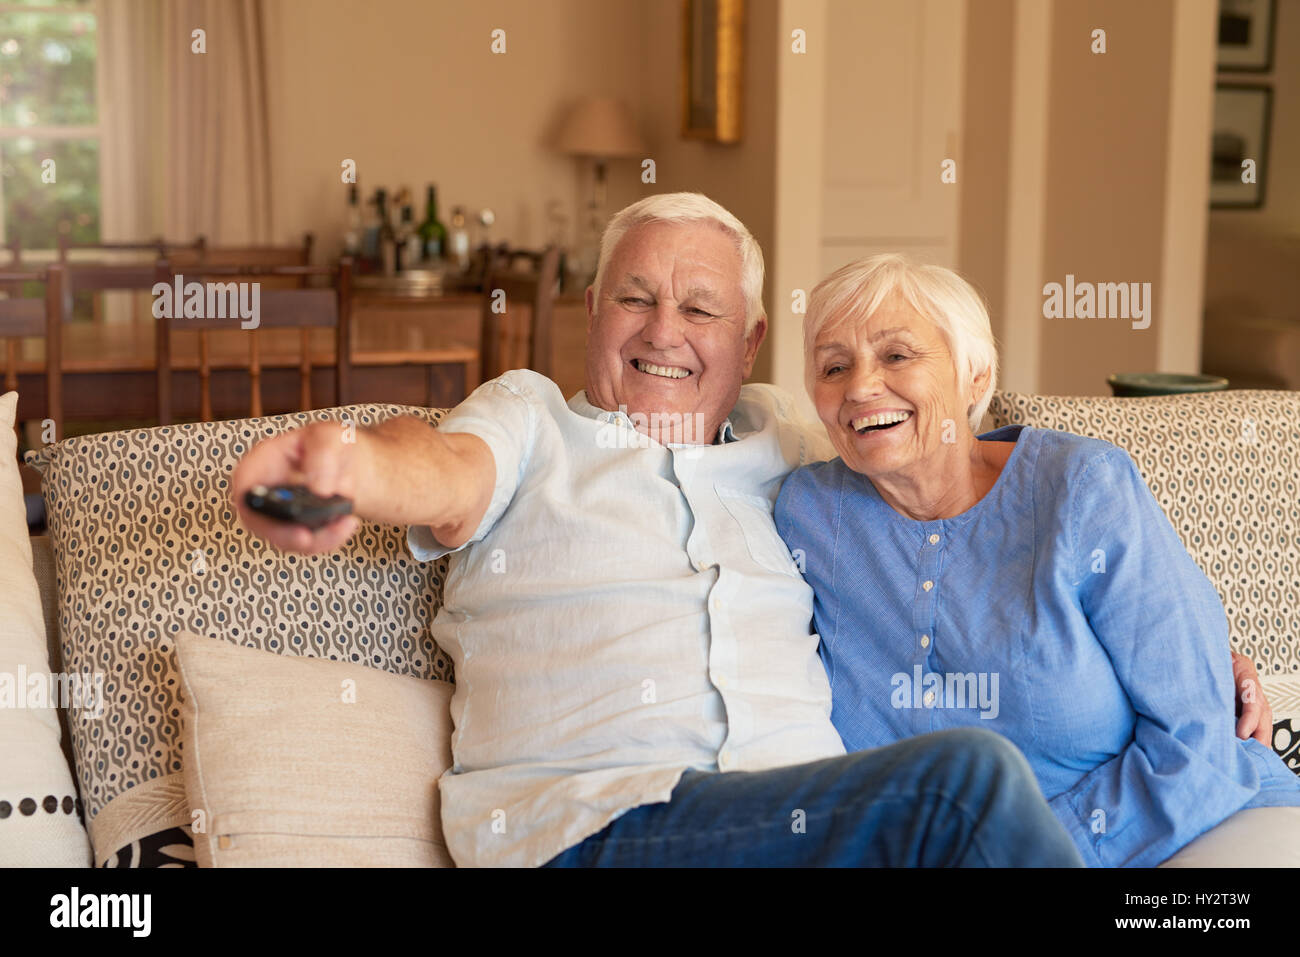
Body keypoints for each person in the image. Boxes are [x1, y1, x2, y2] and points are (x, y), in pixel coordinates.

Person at [229, 193, 1083, 868]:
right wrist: (352, 469)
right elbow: (441, 468)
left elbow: (953, 514)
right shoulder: (531, 421)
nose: (663, 330)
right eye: (636, 298)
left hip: (811, 827)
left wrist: (1190, 658)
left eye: (700, 309)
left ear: (749, 344)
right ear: (594, 310)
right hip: (595, 826)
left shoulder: (790, 444)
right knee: (965, 786)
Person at [773, 253, 1300, 867]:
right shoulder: (807, 511)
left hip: (1192, 819)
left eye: (897, 356)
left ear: (975, 375)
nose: (861, 386)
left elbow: (1198, 734)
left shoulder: (1081, 488)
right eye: (834, 366)